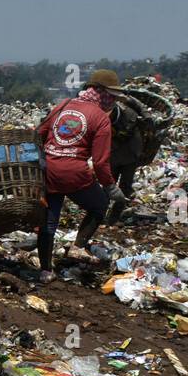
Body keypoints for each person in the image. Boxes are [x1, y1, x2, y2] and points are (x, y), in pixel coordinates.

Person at [33, 69, 122, 282]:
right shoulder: (101, 119)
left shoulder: (63, 105)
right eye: (112, 95)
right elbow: (100, 163)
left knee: (48, 223)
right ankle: (78, 246)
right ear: (101, 93)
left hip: (49, 172)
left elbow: (38, 134)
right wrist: (110, 186)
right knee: (99, 205)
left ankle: (46, 271)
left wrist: (44, 160)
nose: (113, 100)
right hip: (75, 175)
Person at [105, 95, 145, 224]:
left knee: (125, 186)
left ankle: (114, 216)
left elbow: (143, 112)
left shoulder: (129, 113)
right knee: (109, 184)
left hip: (130, 153)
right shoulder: (104, 114)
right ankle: (100, 213)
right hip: (114, 153)